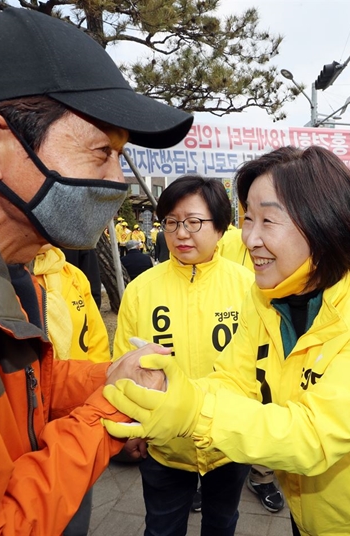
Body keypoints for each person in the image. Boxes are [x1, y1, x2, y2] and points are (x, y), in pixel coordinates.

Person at [103, 145, 350, 536]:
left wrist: (193, 412)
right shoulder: (266, 296)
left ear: (323, 222)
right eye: (247, 219)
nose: (249, 238)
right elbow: (236, 380)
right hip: (304, 507)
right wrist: (171, 390)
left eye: (268, 220)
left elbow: (316, 434)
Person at [0, 7, 192, 535]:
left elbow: (32, 385)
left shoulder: (19, 275)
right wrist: (104, 415)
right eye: (101, 152)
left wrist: (109, 378)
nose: (117, 180)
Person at [113, 176, 253, 536]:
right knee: (161, 527)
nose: (181, 233)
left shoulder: (249, 287)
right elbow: (123, 366)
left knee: (221, 525)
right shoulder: (141, 288)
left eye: (194, 222)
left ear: (221, 227)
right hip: (163, 444)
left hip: (228, 440)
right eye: (171, 222)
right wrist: (130, 427)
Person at [33, 245, 112, 536]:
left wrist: (97, 404)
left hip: (73, 420)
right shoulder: (12, 278)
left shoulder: (73, 275)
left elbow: (96, 343)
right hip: (25, 426)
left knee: (74, 518)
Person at [216, 225, 286, 513]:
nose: (253, 238)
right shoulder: (231, 238)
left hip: (264, 333)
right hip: (233, 335)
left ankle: (262, 476)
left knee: (269, 400)